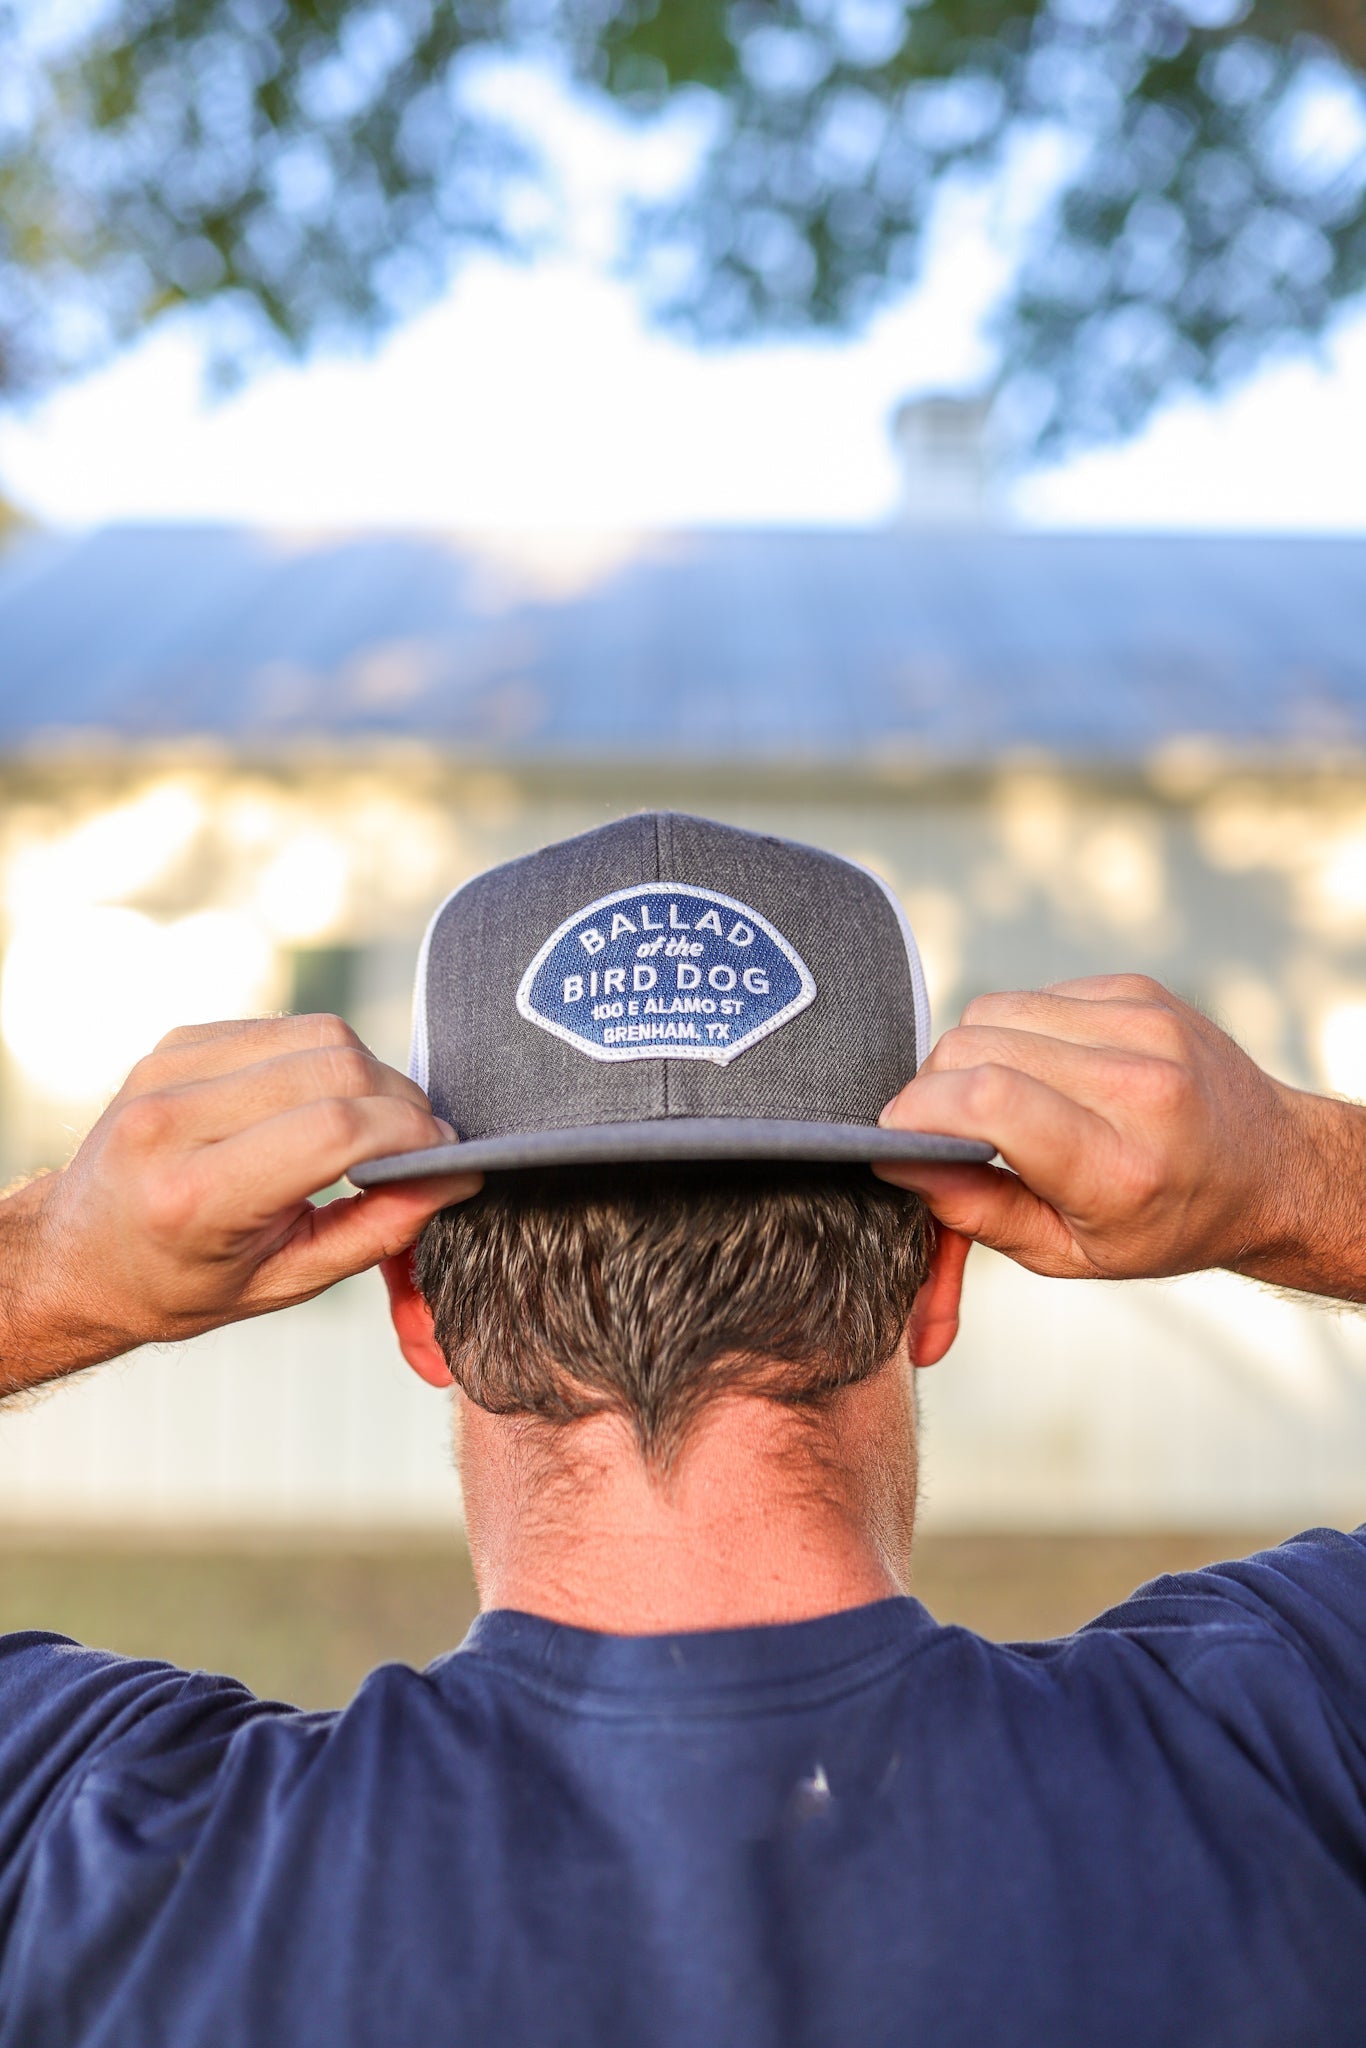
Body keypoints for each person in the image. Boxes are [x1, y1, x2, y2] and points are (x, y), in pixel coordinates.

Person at [0, 811, 1364, 2048]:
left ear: (416, 1308)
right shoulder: (1292, 1747)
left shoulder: (101, 1845)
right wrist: (1293, 1177)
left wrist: (56, 1266)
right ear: (936, 1281)